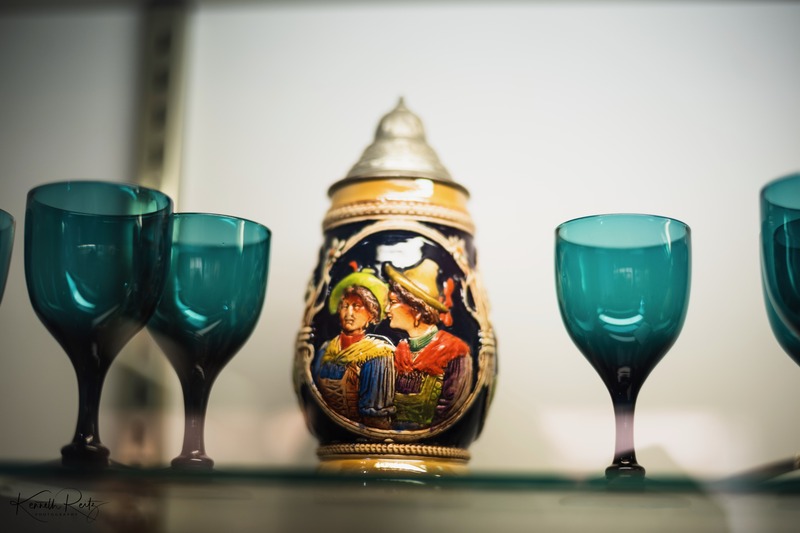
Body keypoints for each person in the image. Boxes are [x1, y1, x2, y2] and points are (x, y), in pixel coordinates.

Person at [384, 259, 472, 430]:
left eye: (393, 302)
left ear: (417, 309)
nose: (387, 309)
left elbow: (451, 410)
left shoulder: (454, 352)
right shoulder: (400, 351)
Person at [313, 268, 395, 429]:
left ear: (371, 314)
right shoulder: (326, 350)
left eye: (357, 306)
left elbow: (376, 420)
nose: (348, 313)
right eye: (345, 306)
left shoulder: (377, 354)